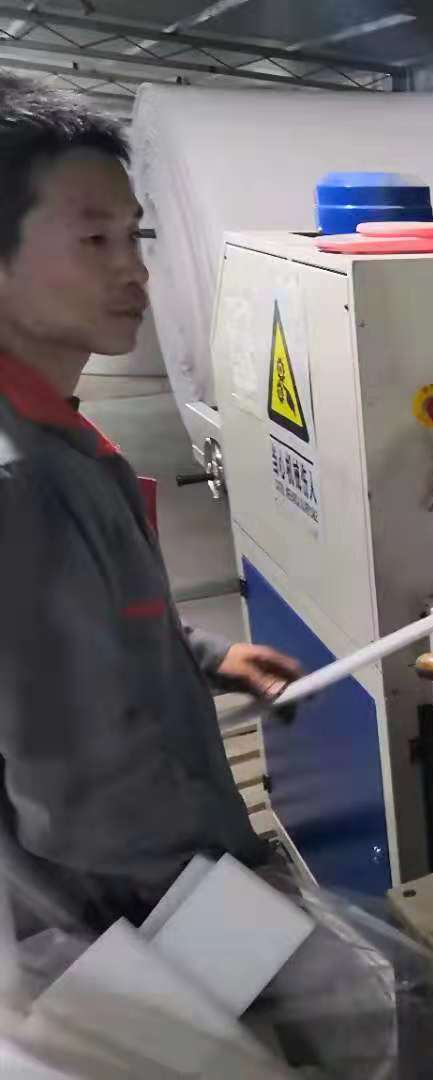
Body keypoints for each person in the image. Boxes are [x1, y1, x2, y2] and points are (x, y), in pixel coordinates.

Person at [0, 76, 301, 931]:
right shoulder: (22, 485)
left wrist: (205, 654)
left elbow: (80, 630)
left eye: (135, 235)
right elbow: (88, 805)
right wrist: (246, 910)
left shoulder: (53, 433)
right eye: (94, 238)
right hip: (137, 912)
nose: (134, 269)